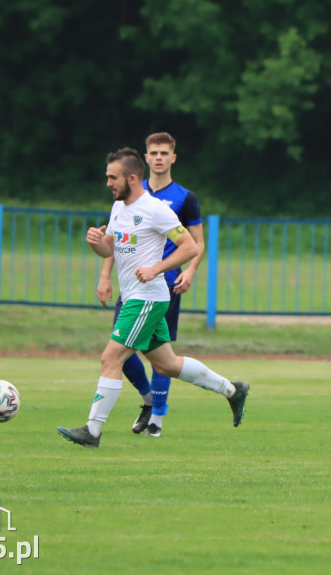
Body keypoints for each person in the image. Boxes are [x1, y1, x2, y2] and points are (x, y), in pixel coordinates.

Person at [57, 149, 247, 448]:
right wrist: (98, 243)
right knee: (167, 365)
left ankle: (92, 431)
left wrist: (157, 268)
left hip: (147, 298)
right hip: (136, 296)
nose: (108, 182)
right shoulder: (118, 206)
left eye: (112, 177)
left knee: (111, 357)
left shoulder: (155, 209)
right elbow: (112, 248)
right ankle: (233, 390)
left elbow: (190, 247)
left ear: (132, 178)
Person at [96, 132, 206, 437]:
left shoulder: (184, 198)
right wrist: (105, 275)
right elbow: (118, 240)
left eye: (164, 153)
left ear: (173, 158)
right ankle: (147, 400)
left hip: (166, 284)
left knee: (156, 356)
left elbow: (196, 243)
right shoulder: (129, 192)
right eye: (153, 152)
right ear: (145, 159)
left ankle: (156, 418)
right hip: (132, 285)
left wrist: (191, 271)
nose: (158, 157)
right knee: (128, 354)